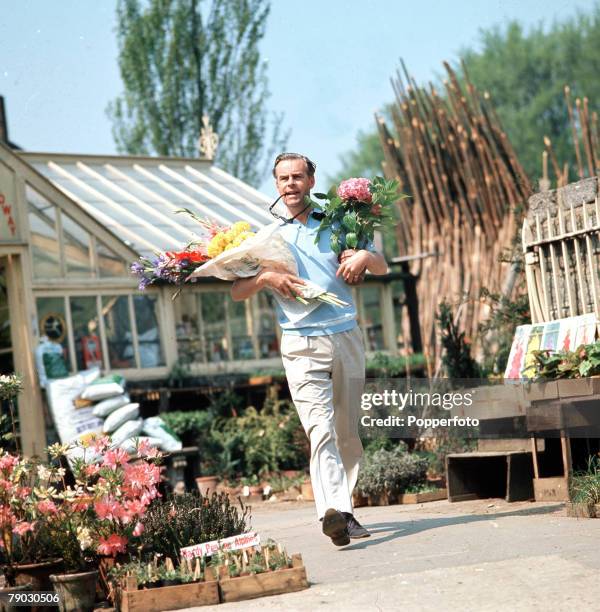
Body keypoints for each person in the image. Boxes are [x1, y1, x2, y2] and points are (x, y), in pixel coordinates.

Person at [231, 153, 388, 546]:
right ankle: (335, 512)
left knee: (346, 431)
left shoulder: (341, 223)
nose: (290, 184)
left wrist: (366, 256)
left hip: (346, 335)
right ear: (276, 184)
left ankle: (343, 506)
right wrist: (266, 277)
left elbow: (382, 265)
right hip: (300, 343)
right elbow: (237, 291)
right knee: (320, 430)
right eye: (283, 178)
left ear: (312, 180)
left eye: (297, 176)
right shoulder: (266, 238)